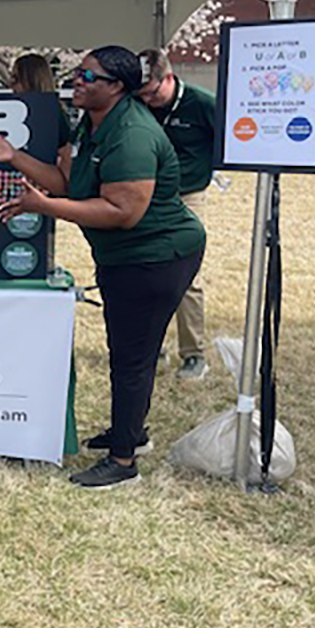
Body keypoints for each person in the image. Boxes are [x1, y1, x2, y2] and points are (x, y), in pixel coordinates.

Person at [0, 46, 205, 488]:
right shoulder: (93, 122)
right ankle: (130, 432)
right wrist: (13, 155)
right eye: (78, 72)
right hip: (125, 258)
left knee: (132, 358)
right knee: (129, 352)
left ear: (117, 86)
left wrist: (45, 207)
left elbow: (123, 212)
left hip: (156, 256)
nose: (77, 80)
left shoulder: (132, 134)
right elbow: (69, 184)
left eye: (89, 76)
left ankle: (123, 462)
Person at [136, 48, 217, 380]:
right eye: (142, 95)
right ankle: (151, 348)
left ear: (169, 78)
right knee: (143, 270)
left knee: (186, 275)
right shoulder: (139, 104)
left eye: (152, 93)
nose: (148, 101)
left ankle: (193, 353)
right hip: (145, 196)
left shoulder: (202, 104)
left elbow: (230, 139)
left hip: (187, 196)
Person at [9, 52, 76, 152]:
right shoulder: (12, 111)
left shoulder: (54, 114)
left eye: (16, 79)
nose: (10, 84)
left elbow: (64, 151)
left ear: (32, 80)